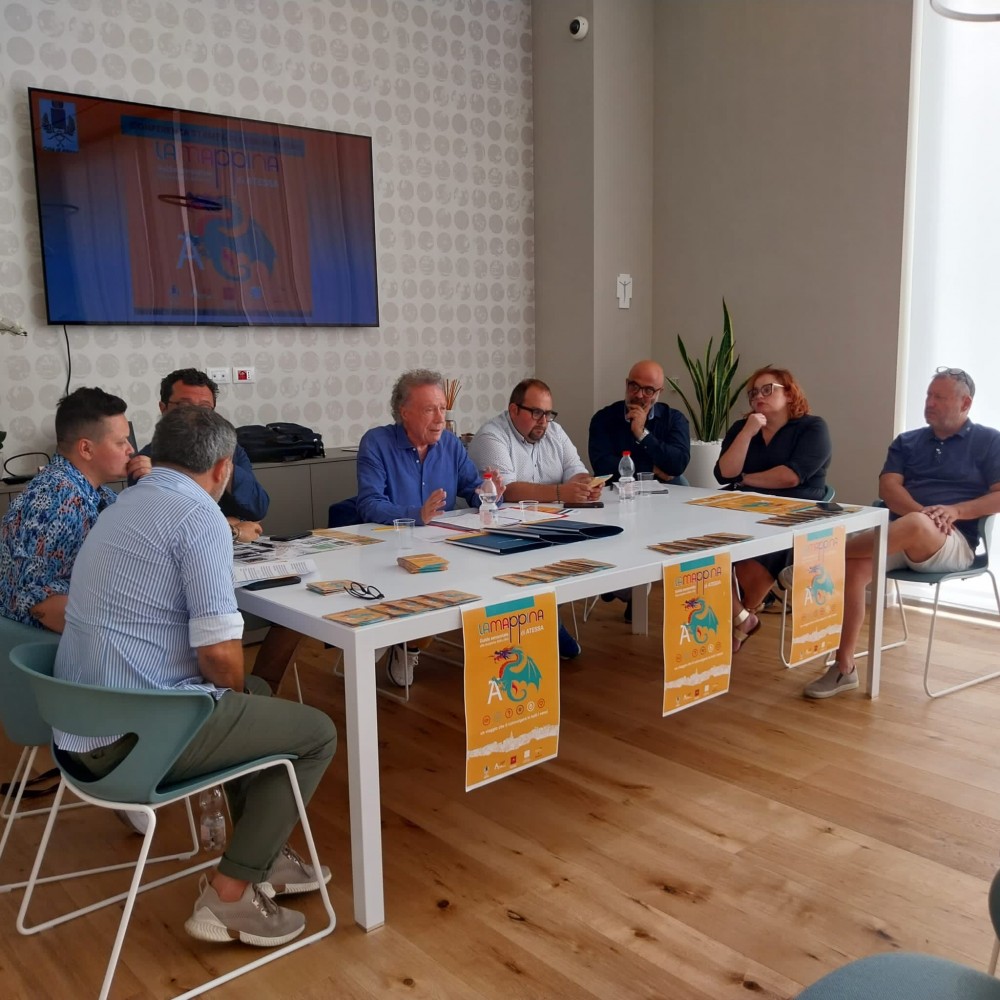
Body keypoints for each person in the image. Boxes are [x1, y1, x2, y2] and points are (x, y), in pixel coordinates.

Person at [54, 405, 337, 946]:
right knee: (315, 734)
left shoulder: (124, 503)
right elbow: (221, 659)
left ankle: (263, 854)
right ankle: (228, 895)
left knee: (254, 695)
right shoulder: (199, 517)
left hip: (79, 728)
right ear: (224, 467)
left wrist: (240, 702)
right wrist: (236, 703)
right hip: (133, 740)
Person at [802, 367, 1000, 698]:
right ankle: (844, 667)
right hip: (899, 533)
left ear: (965, 403)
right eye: (928, 395)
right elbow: (889, 487)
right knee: (856, 566)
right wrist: (921, 514)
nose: (929, 402)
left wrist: (955, 511)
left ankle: (817, 558)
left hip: (953, 541)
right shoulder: (907, 441)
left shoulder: (990, 441)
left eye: (939, 397)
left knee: (913, 526)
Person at [131, 368, 297, 694]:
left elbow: (258, 507)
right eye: (183, 407)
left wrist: (223, 465)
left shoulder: (231, 452)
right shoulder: (148, 460)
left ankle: (264, 688)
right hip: (184, 583)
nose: (195, 417)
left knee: (295, 606)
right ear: (163, 409)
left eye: (204, 409)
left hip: (242, 559)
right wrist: (231, 525)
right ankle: (235, 697)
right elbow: (169, 523)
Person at [357, 369, 502, 686]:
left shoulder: (450, 444)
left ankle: (408, 644)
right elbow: (369, 502)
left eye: (442, 408)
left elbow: (472, 489)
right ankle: (393, 636)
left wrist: (489, 493)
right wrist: (415, 514)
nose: (440, 419)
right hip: (388, 550)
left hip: (442, 549)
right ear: (404, 413)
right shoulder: (376, 443)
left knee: (487, 573)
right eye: (429, 410)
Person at [468, 377, 598, 660]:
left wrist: (585, 485)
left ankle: (549, 623)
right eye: (536, 412)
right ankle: (546, 626)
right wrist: (561, 492)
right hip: (502, 527)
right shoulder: (491, 437)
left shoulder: (555, 431)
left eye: (549, 413)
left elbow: (575, 468)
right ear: (514, 410)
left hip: (553, 521)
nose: (544, 421)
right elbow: (507, 490)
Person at [0, 387, 140, 633]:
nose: (131, 450)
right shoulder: (56, 500)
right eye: (121, 442)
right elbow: (39, 602)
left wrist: (150, 486)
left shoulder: (95, 493)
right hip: (42, 643)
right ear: (86, 449)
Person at [714, 366, 832, 652]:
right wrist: (748, 432)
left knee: (756, 555)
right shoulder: (743, 428)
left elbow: (790, 476)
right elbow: (724, 473)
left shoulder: (812, 428)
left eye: (768, 390)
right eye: (754, 393)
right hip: (743, 511)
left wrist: (745, 479)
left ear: (789, 394)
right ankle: (742, 618)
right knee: (702, 547)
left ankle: (741, 616)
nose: (759, 396)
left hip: (795, 514)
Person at [588, 359, 691, 483]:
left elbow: (678, 464)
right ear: (627, 384)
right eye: (634, 386)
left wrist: (642, 434)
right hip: (617, 490)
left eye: (648, 390)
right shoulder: (603, 418)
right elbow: (602, 466)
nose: (639, 395)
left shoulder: (674, 419)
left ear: (659, 392)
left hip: (665, 489)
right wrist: (651, 469)